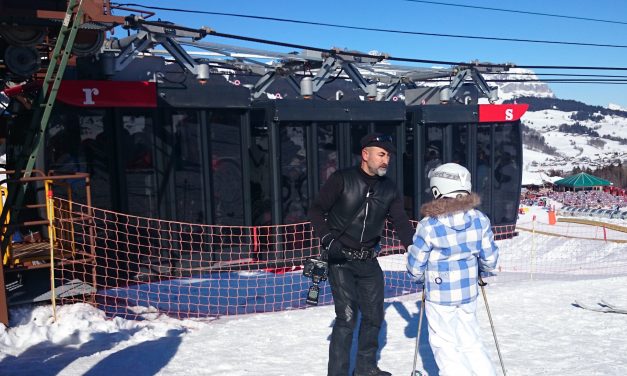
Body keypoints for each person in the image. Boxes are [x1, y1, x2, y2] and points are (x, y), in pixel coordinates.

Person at [309, 133, 415, 376]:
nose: (386, 159)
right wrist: (327, 239)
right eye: (381, 154)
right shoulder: (342, 179)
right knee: (346, 318)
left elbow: (400, 221)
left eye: (388, 155)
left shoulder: (389, 188)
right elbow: (316, 210)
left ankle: (365, 369)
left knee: (374, 316)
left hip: (368, 261)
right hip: (340, 260)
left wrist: (413, 248)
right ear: (365, 155)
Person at [406, 163, 499, 376]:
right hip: (468, 293)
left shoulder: (429, 225)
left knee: (446, 345)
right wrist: (481, 270)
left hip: (439, 295)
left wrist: (417, 276)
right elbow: (490, 259)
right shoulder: (479, 219)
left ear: (438, 190)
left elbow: (416, 263)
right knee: (471, 341)